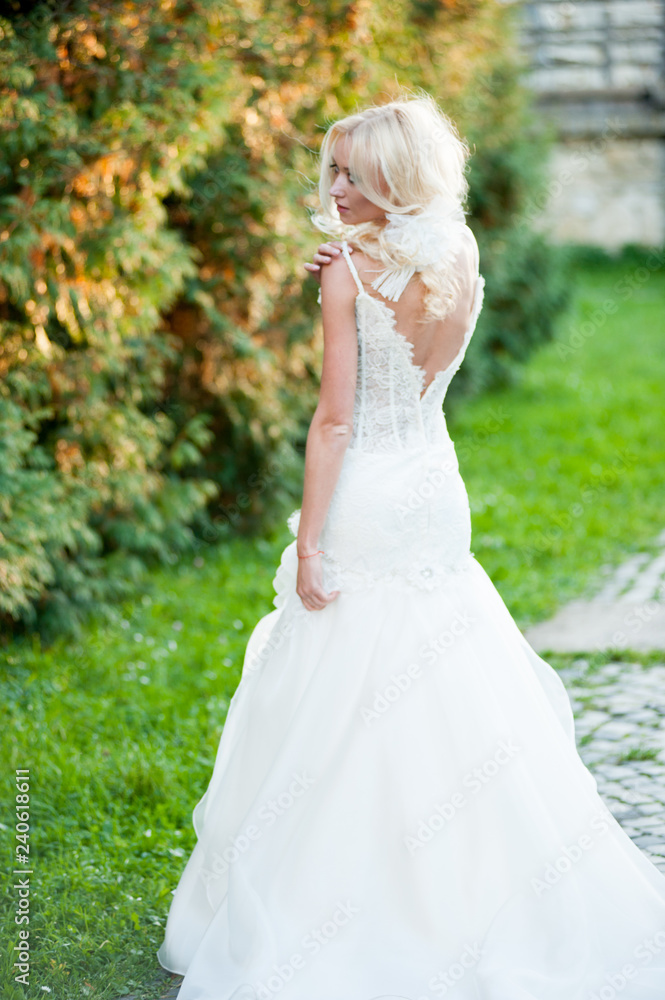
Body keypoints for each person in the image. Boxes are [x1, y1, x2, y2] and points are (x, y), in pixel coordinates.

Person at [157, 94, 665, 1000]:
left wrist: (311, 543)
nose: (337, 188)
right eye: (334, 171)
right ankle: (479, 882)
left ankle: (349, 904)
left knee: (342, 685)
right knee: (446, 674)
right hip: (435, 487)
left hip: (368, 493)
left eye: (355, 173)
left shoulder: (350, 269)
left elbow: (333, 421)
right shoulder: (457, 250)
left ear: (394, 175)